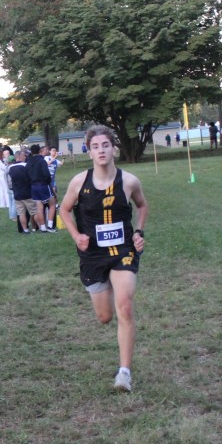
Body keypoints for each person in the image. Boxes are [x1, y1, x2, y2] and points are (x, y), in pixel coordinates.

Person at [59, 125, 148, 393]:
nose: (101, 151)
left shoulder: (129, 181)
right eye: (95, 147)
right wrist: (76, 235)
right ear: (89, 152)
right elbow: (64, 210)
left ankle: (124, 373)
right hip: (93, 255)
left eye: (105, 145)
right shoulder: (79, 182)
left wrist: (139, 232)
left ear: (114, 149)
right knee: (105, 316)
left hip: (123, 250)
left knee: (125, 307)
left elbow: (142, 205)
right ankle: (106, 286)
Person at [27, 145, 57, 232]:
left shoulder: (28, 162)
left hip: (33, 186)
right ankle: (50, 226)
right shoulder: (41, 161)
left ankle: (43, 228)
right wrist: (48, 181)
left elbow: (27, 174)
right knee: (52, 203)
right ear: (40, 151)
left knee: (39, 207)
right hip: (43, 184)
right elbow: (46, 174)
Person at [8, 149, 35, 233]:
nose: (25, 157)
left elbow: (9, 182)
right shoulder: (25, 165)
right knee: (33, 211)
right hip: (27, 192)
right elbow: (31, 178)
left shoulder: (10, 167)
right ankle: (36, 227)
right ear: (19, 156)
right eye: (24, 155)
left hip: (17, 193)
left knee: (21, 213)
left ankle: (25, 229)